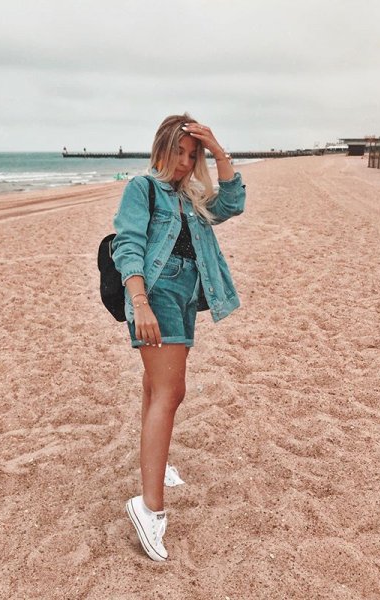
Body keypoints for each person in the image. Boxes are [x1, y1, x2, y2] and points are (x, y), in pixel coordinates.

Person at [112, 113, 246, 561]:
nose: (186, 163)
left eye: (193, 156)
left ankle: (157, 462)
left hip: (186, 295)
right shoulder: (142, 187)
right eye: (180, 153)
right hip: (157, 294)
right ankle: (149, 507)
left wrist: (218, 149)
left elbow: (232, 203)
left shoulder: (190, 196)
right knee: (171, 392)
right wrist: (140, 303)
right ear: (162, 149)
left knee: (156, 388)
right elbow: (127, 245)